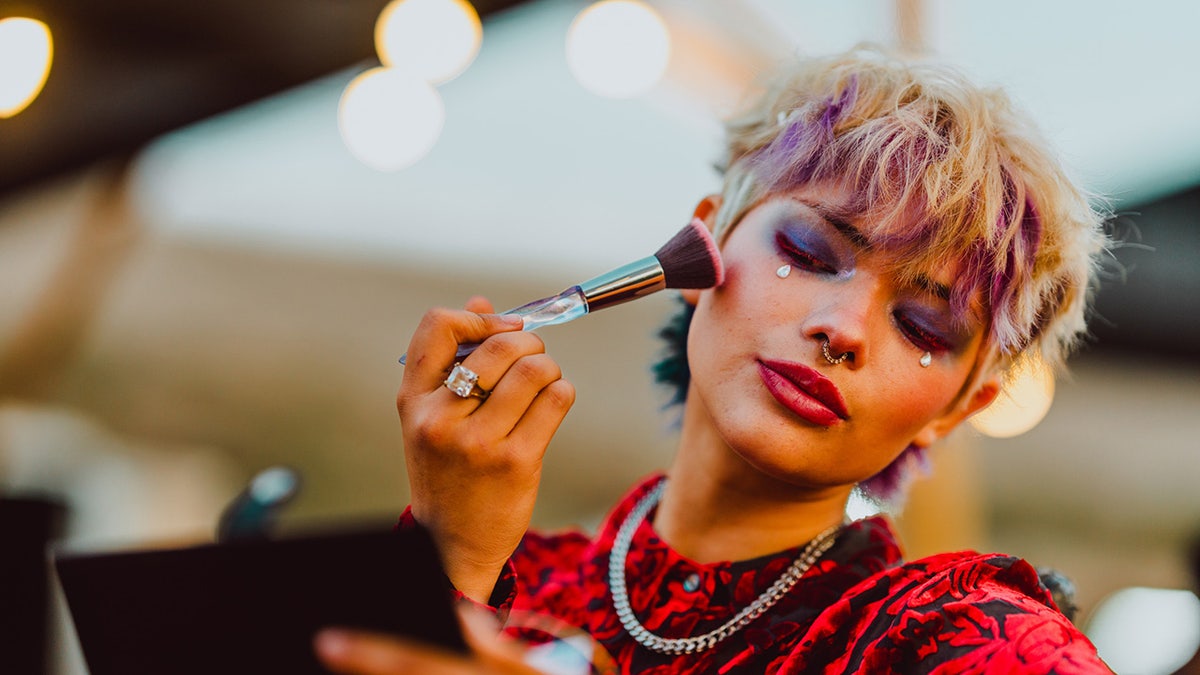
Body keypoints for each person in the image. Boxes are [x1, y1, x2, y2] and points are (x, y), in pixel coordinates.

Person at [316, 47, 1113, 673]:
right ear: (705, 246)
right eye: (807, 251)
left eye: (921, 325)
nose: (843, 328)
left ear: (959, 406)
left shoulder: (963, 643)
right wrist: (447, 550)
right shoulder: (528, 582)